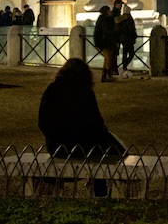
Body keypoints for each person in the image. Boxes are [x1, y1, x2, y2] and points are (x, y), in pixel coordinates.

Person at [37, 58, 125, 196]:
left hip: (58, 148)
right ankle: (100, 193)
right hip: (85, 148)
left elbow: (43, 123)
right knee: (102, 154)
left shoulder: (52, 90)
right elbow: (96, 123)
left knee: (100, 149)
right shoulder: (85, 92)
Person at [93, 5, 118, 82]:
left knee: (107, 59)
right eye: (109, 10)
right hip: (104, 42)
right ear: (106, 12)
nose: (110, 11)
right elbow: (107, 31)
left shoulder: (103, 19)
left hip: (105, 42)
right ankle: (106, 75)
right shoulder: (105, 20)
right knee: (109, 58)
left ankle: (105, 76)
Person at [116, 3, 138, 78]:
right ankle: (124, 67)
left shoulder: (122, 18)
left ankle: (124, 67)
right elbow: (130, 29)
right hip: (128, 38)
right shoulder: (127, 18)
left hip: (124, 38)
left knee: (126, 53)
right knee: (130, 53)